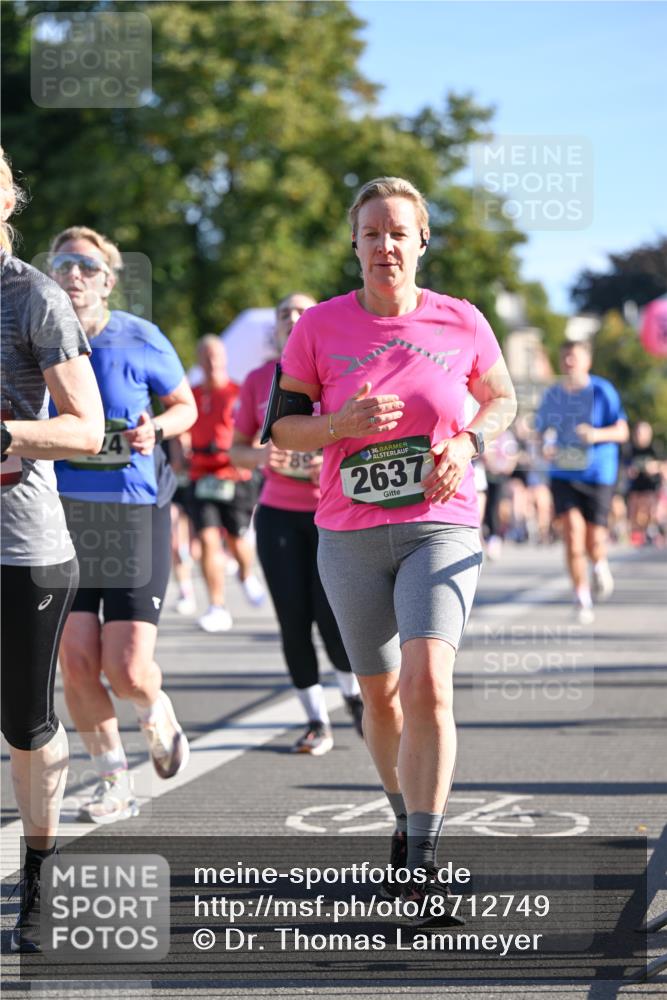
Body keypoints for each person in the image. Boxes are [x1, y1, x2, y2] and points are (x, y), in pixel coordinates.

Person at [268, 177, 516, 925]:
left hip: (440, 524)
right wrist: (337, 424)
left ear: (420, 242)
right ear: (354, 244)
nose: (385, 245)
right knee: (377, 696)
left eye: (398, 232)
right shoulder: (318, 327)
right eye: (371, 232)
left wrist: (468, 443)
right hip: (346, 532)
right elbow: (281, 430)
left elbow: (500, 398)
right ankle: (401, 816)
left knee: (427, 685)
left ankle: (422, 857)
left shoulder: (461, 320)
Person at [48, 225, 198, 824]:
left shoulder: (141, 337)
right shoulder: (39, 340)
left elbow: (185, 406)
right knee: (77, 660)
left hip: (134, 511)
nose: (74, 275)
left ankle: (154, 708)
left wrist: (153, 430)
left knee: (127, 668)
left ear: (109, 281)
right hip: (63, 515)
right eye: (63, 265)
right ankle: (115, 780)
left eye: (86, 267)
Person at [0, 149, 105, 951]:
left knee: (25, 724)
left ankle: (38, 874)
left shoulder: (33, 297)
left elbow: (87, 428)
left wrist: (9, 433)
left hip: (21, 546)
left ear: (6, 201)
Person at [230, 293, 364, 754]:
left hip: (333, 513)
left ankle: (353, 696)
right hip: (278, 515)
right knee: (293, 622)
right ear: (277, 328)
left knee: (333, 620)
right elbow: (236, 450)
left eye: (302, 312)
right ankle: (316, 721)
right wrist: (264, 454)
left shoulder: (339, 370)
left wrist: (325, 457)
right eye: (284, 313)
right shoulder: (256, 381)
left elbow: (360, 437)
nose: (292, 318)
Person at [535, 339, 628, 624]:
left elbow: (623, 431)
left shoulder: (602, 391)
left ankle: (599, 564)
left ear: (587, 361)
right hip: (564, 474)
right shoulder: (552, 395)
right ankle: (581, 597)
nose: (569, 363)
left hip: (598, 474)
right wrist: (545, 447)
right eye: (565, 358)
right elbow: (542, 434)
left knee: (593, 540)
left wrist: (596, 435)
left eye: (574, 358)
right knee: (573, 533)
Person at [186, 336, 265, 633]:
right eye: (205, 356)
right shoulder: (192, 394)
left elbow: (255, 428)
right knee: (206, 539)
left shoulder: (238, 391)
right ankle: (217, 606)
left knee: (237, 539)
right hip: (200, 475)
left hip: (234, 475)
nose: (211, 361)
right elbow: (182, 427)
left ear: (225, 358)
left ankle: (246, 575)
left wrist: (248, 454)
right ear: (199, 360)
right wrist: (180, 452)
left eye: (216, 355)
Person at [625, 420, 662, 546]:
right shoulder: (630, 449)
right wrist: (629, 471)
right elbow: (623, 467)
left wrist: (654, 467)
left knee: (650, 508)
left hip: (650, 485)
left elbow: (663, 465)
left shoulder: (654, 448)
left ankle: (651, 532)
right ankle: (638, 534)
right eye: (639, 433)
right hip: (635, 485)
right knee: (634, 509)